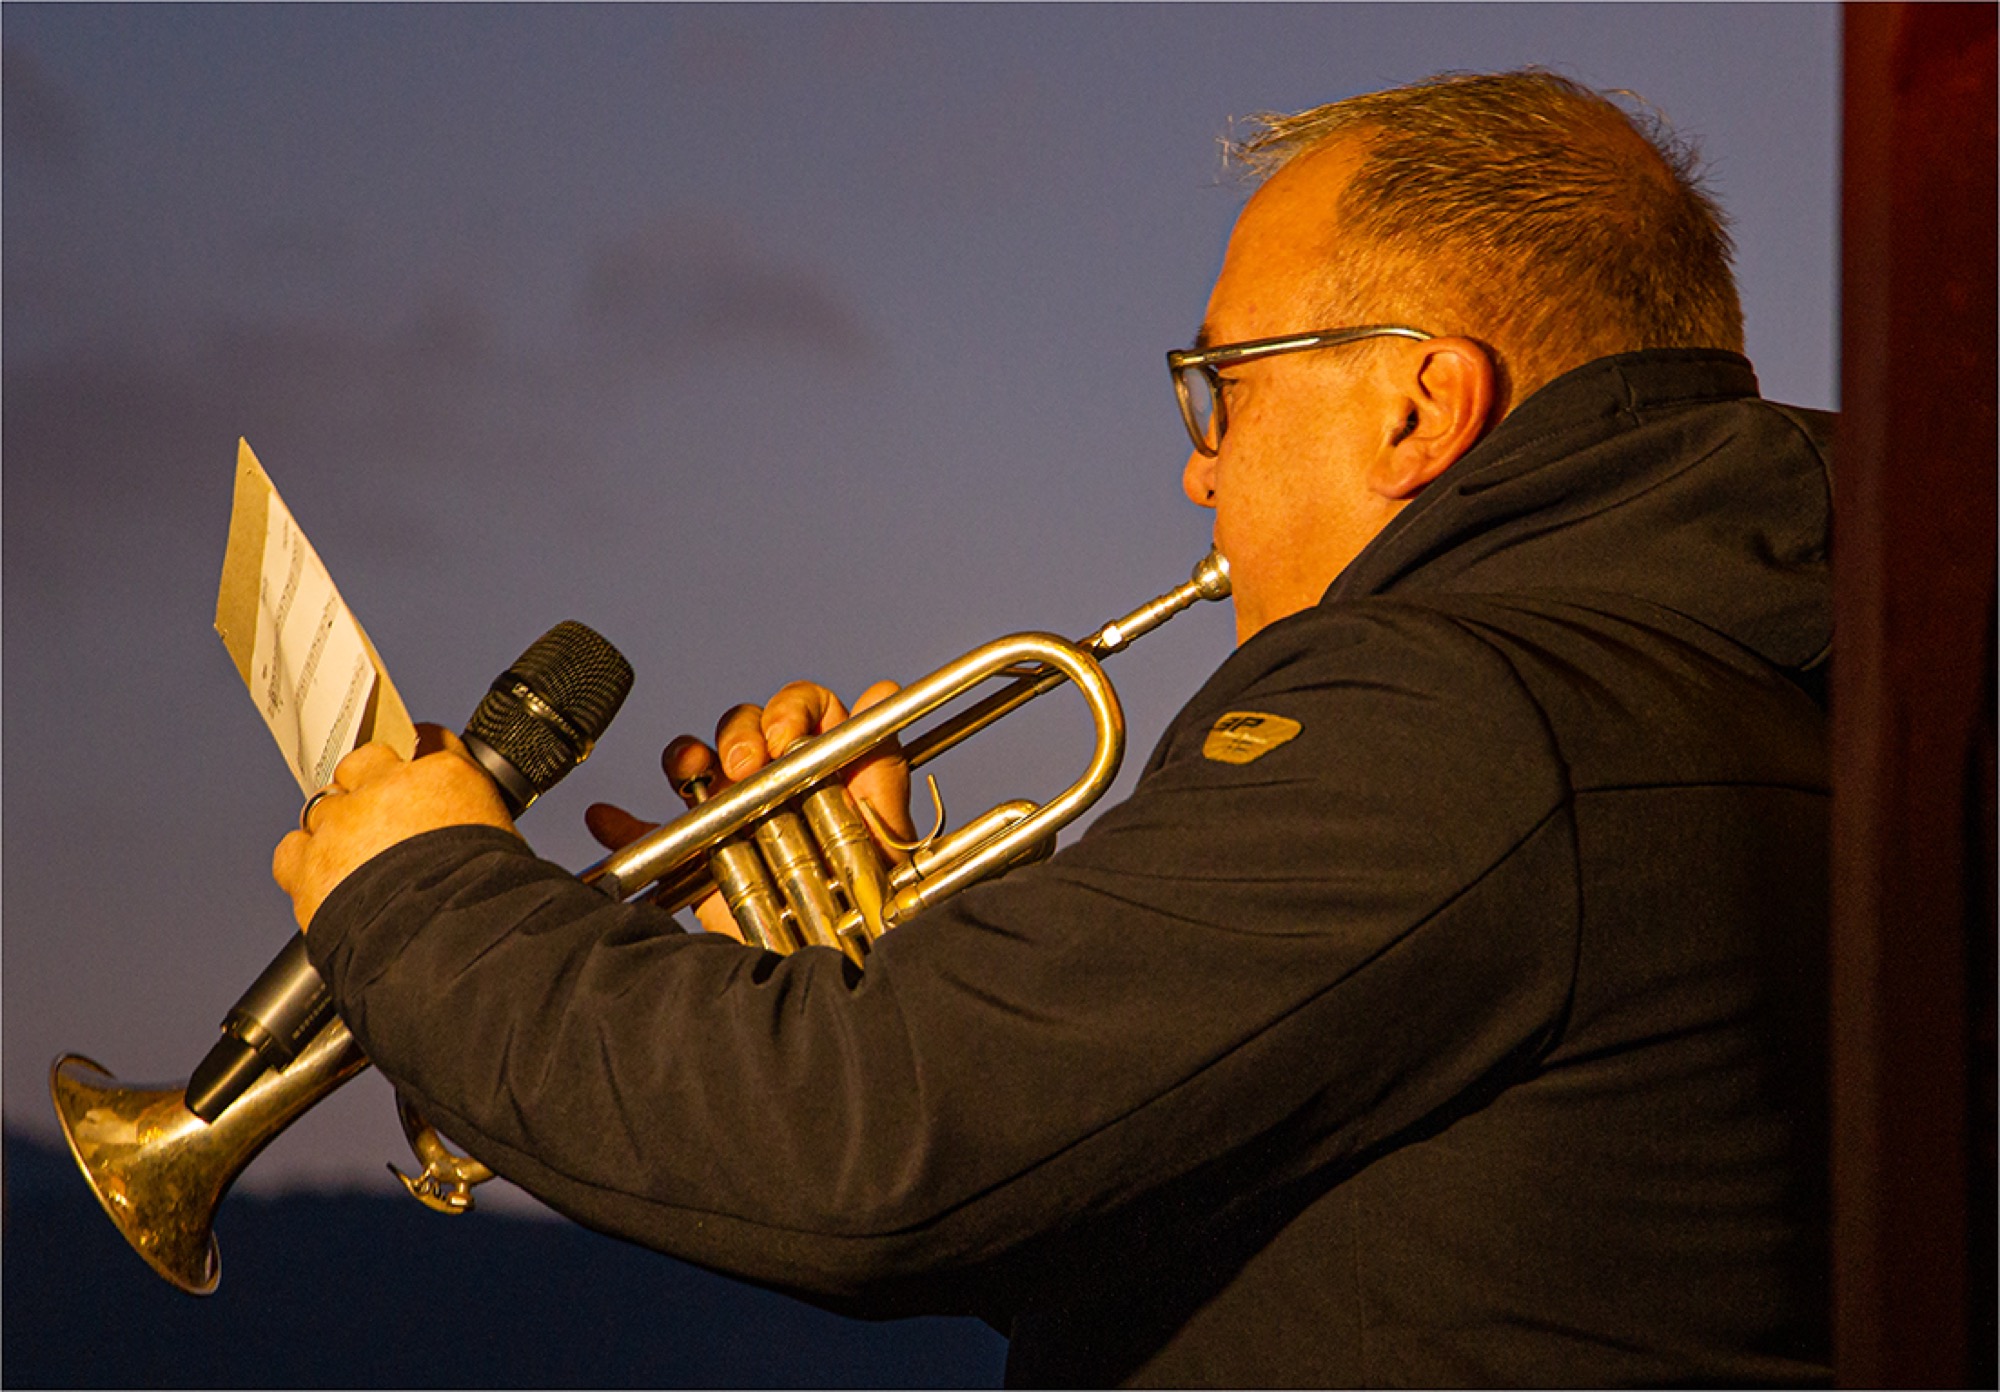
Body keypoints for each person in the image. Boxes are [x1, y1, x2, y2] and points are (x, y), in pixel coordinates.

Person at [273, 70, 1833, 1386]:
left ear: (1418, 407)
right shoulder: (1747, 672)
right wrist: (863, 960)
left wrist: (424, 902)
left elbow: (876, 1156)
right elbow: (1145, 1192)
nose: (1200, 473)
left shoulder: (1464, 714)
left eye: (1222, 388)